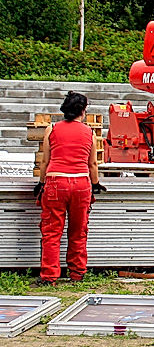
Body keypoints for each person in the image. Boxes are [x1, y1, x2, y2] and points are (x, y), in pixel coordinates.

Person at [34, 91, 100, 285]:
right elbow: (93, 164)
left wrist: (41, 183)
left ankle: (49, 276)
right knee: (78, 231)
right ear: (83, 111)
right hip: (80, 183)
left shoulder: (52, 129)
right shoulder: (89, 132)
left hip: (56, 182)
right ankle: (77, 273)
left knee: (52, 232)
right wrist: (95, 184)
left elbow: (45, 160)